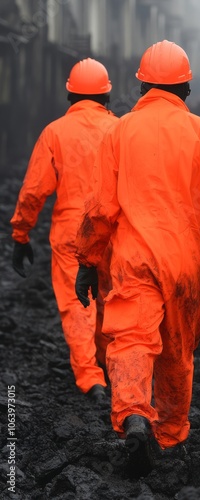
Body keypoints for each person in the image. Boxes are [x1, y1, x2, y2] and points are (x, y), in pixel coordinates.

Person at [74, 40, 200, 475]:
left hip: (133, 260)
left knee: (130, 337)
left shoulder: (119, 131)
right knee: (177, 350)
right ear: (186, 87)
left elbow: (99, 209)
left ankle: (133, 412)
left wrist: (87, 261)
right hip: (186, 263)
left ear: (142, 85)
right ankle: (169, 437)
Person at [10, 58, 119, 403]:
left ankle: (91, 378)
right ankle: (112, 365)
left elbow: (33, 191)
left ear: (69, 94)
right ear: (107, 94)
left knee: (77, 305)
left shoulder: (54, 132)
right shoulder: (120, 129)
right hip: (114, 231)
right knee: (111, 299)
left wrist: (21, 235)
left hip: (71, 233)